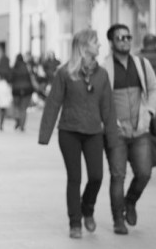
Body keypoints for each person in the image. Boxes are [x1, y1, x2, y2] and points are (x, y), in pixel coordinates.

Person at [38, 29, 120, 239]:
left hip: (94, 132)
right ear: (84, 47)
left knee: (96, 177)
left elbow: (108, 109)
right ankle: (75, 223)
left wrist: (112, 138)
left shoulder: (102, 75)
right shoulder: (64, 72)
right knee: (74, 178)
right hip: (69, 132)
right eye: (95, 42)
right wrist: (44, 135)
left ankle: (88, 208)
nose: (99, 46)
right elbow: (53, 103)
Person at [100, 24, 156, 235]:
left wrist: (150, 111)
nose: (125, 41)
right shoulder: (104, 67)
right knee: (118, 176)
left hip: (140, 129)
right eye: (120, 38)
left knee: (144, 173)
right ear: (111, 42)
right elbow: (101, 99)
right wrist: (111, 122)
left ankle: (130, 201)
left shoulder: (142, 63)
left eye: (128, 37)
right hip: (116, 132)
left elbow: (154, 88)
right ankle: (118, 220)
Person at [10, 54, 35, 131]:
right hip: (27, 90)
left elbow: (10, 78)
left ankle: (17, 121)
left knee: (17, 107)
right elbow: (32, 77)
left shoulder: (14, 67)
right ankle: (22, 125)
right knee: (23, 108)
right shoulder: (27, 67)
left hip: (16, 90)